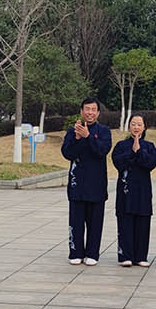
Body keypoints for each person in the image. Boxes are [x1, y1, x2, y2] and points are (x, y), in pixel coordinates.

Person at [61, 97, 111, 265]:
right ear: (81, 111)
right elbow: (67, 153)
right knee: (76, 221)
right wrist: (77, 139)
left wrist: (88, 136)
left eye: (93, 109)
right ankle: (75, 252)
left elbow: (102, 151)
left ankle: (92, 254)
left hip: (96, 185)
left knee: (95, 223)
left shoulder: (104, 131)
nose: (90, 112)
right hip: (77, 185)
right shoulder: (72, 131)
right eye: (87, 109)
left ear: (98, 112)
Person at [111, 113, 156, 267]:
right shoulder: (120, 146)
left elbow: (151, 164)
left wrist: (140, 151)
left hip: (143, 191)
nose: (136, 127)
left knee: (143, 223)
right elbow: (118, 163)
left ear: (144, 127)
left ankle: (141, 256)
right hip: (125, 190)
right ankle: (126, 255)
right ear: (129, 126)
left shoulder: (149, 146)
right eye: (133, 124)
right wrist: (132, 151)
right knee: (125, 222)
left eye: (139, 124)